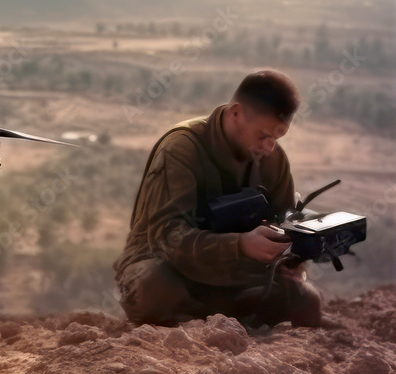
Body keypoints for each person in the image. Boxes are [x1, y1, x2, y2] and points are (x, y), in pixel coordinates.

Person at [114, 69, 322, 328]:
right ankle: (212, 322)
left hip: (236, 273)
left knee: (307, 300)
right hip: (171, 266)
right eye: (264, 135)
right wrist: (241, 245)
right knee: (153, 288)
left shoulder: (273, 158)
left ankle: (214, 317)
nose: (270, 147)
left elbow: (285, 220)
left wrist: (291, 256)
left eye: (277, 138)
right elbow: (167, 237)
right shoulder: (181, 149)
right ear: (236, 114)